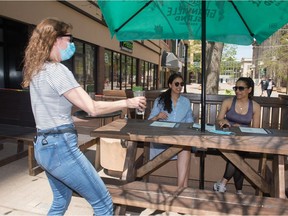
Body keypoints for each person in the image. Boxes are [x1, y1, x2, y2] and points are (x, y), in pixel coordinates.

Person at [21, 18, 146, 215]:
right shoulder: (57, 70)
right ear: (55, 40)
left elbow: (53, 110)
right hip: (60, 147)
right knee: (104, 203)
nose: (71, 45)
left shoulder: (37, 71)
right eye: (68, 39)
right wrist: (127, 102)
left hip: (43, 147)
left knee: (61, 200)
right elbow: (92, 108)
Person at [213, 77, 260, 194]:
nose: (237, 91)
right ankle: (238, 192)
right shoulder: (228, 102)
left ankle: (222, 183)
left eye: (241, 88)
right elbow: (218, 119)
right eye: (236, 88)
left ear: (249, 90)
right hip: (227, 139)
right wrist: (223, 121)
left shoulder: (255, 106)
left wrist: (242, 128)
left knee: (237, 157)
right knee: (238, 158)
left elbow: (256, 129)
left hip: (245, 141)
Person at [148, 73, 193, 187]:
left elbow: (189, 120)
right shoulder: (161, 100)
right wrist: (158, 116)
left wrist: (191, 128)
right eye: (176, 84)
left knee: (186, 147)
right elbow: (149, 120)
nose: (179, 86)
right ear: (170, 85)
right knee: (185, 148)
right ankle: (183, 187)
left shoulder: (186, 102)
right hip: (163, 137)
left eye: (181, 84)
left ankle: (180, 187)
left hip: (179, 137)